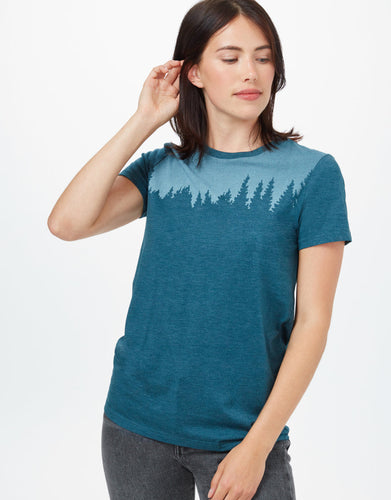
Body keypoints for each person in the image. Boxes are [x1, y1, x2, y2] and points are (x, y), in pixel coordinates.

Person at [47, 0, 352, 498]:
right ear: (193, 73)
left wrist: (258, 446)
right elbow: (66, 224)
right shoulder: (161, 168)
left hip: (243, 436)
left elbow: (313, 322)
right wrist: (144, 119)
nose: (251, 72)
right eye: (230, 58)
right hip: (135, 425)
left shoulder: (312, 175)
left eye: (264, 57)